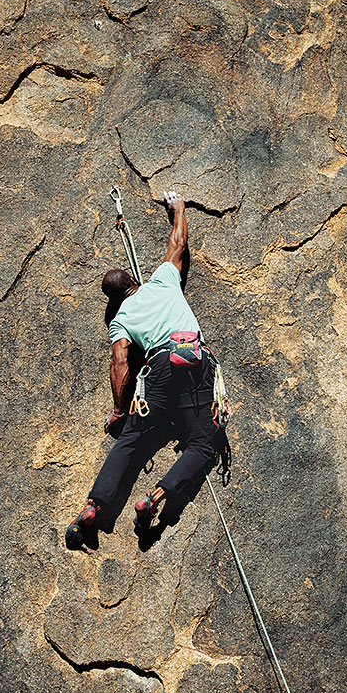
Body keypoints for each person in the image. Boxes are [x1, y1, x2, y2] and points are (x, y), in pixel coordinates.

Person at [67, 190, 225, 550]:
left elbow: (120, 362)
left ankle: (94, 505)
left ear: (114, 299)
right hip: (194, 359)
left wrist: (120, 412)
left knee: (131, 441)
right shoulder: (162, 281)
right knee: (203, 442)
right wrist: (178, 209)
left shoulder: (121, 320)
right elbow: (178, 242)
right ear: (133, 283)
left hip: (158, 373)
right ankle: (155, 498)